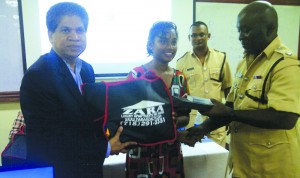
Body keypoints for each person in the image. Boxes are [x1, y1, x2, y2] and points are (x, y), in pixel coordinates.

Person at [20, 2, 136, 178]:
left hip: (87, 167)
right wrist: (106, 147)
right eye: (66, 30)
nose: (74, 37)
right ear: (51, 35)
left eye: (80, 30)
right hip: (58, 170)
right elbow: (50, 139)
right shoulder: (38, 75)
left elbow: (88, 118)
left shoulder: (87, 69)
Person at [186, 1, 300, 177]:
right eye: (239, 30)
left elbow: (285, 117)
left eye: (246, 30)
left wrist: (231, 114)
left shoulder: (285, 65)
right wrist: (203, 128)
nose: (240, 36)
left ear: (269, 29)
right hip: (243, 164)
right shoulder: (244, 63)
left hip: (272, 168)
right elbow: (231, 107)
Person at [125, 21, 189, 178]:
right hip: (141, 151)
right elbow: (125, 118)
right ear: (150, 44)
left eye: (174, 42)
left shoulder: (180, 78)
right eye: (163, 41)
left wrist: (174, 120)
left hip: (170, 152)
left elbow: (185, 117)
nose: (170, 46)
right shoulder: (136, 75)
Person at [176, 21, 232, 148]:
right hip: (192, 126)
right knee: (194, 163)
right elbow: (180, 96)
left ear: (208, 36)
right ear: (189, 38)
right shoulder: (181, 63)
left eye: (202, 34)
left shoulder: (221, 58)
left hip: (217, 123)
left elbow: (229, 89)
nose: (198, 38)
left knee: (218, 163)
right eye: (194, 35)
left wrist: (230, 116)